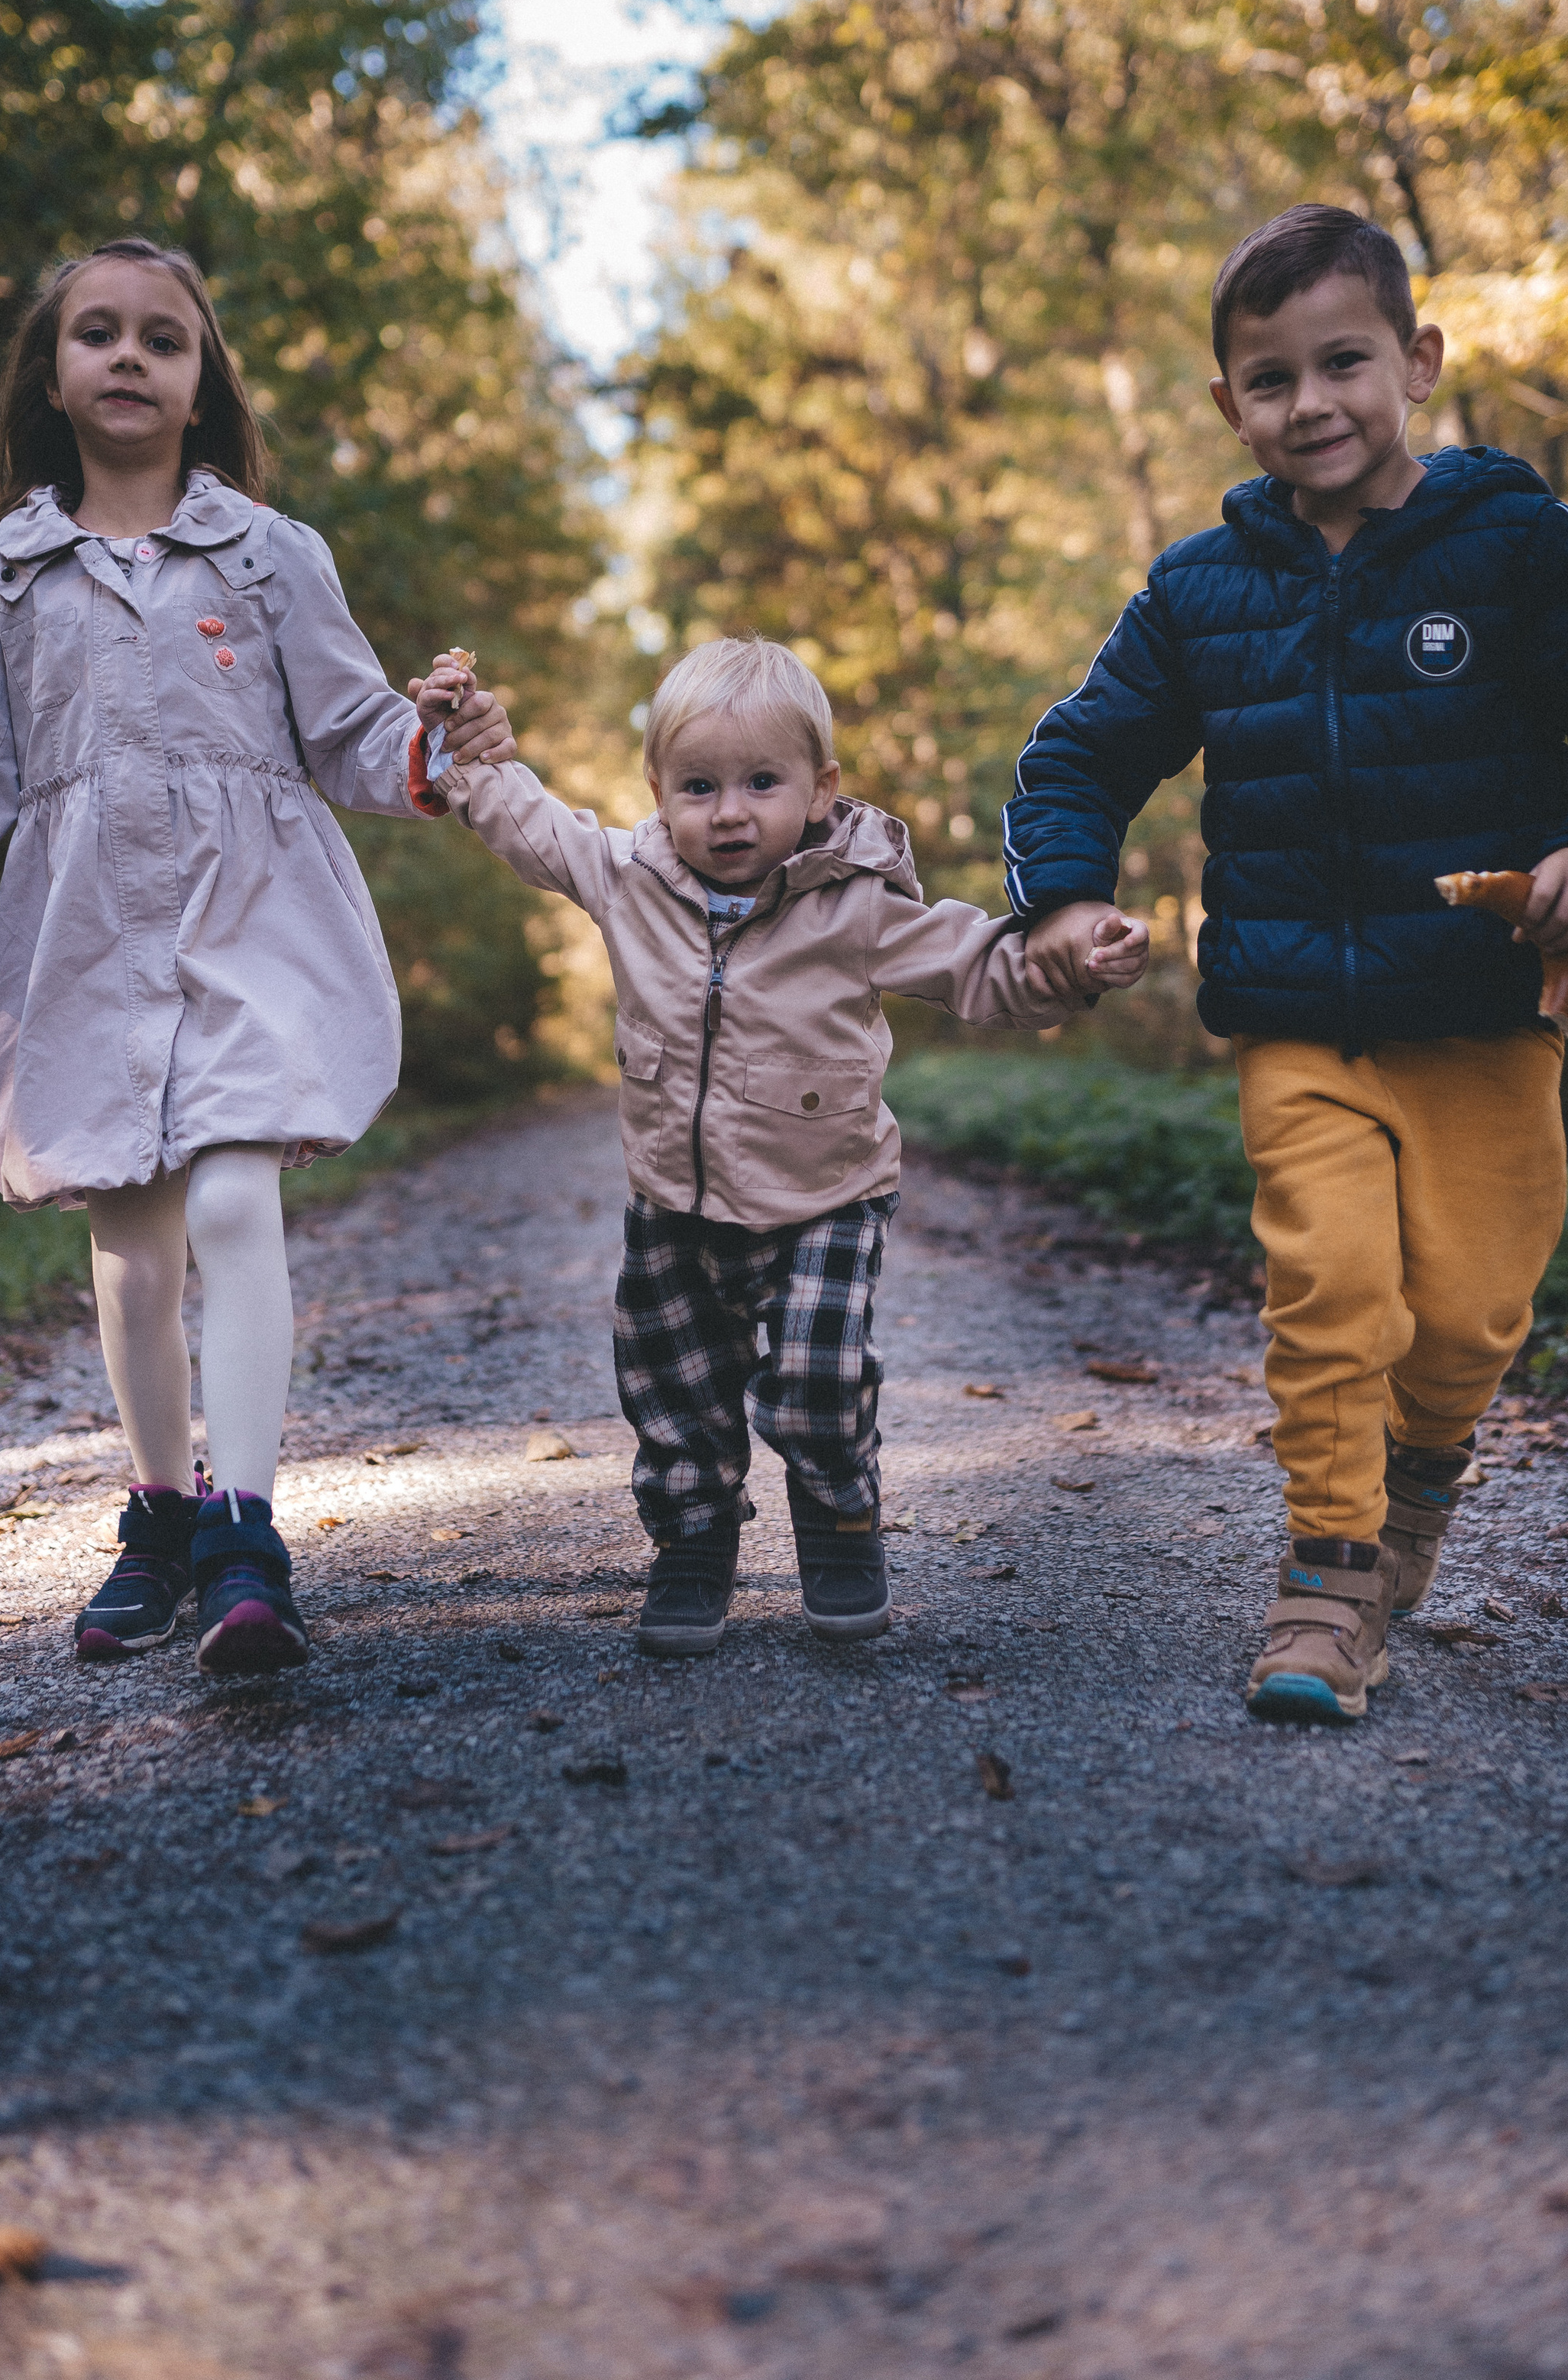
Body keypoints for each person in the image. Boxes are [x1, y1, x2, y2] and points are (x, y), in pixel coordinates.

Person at [1009, 203, 1568, 1725]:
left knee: (1465, 1315)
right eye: (1271, 379)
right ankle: (1328, 1582)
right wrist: (1063, 900)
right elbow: (1077, 757)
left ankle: (1418, 1479)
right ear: (1229, 404)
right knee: (1329, 1289)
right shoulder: (1198, 592)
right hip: (1297, 1017)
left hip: (1485, 1006)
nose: (1311, 403)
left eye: (1343, 362)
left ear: (1418, 360)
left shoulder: (1517, 548)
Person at [0, 238, 512, 1676]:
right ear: (50, 379)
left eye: (162, 339)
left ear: (201, 384)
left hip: (256, 921)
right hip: (89, 940)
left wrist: (434, 741)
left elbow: (350, 731)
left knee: (232, 1198)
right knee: (130, 1243)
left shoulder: (273, 554)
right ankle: (161, 1516)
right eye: (99, 334)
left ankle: (247, 1536)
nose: (129, 356)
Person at [407, 635, 1142, 1654]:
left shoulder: (857, 905)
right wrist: (466, 747)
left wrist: (1072, 963)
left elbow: (978, 964)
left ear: (820, 788)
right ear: (659, 792)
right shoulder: (629, 878)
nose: (730, 812)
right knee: (674, 1389)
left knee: (818, 1374)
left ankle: (839, 1518)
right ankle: (694, 1540)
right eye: (699, 786)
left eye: (762, 783)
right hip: (675, 1200)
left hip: (827, 1194)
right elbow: (530, 824)